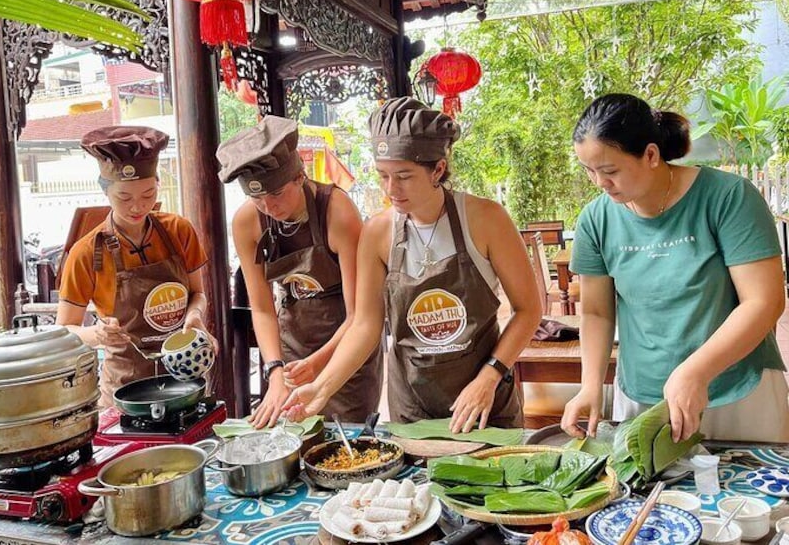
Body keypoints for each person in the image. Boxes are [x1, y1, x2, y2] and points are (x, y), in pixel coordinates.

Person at [284, 97, 542, 432]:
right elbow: (365, 324)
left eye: (404, 176)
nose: (392, 189)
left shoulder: (485, 219)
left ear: (437, 169)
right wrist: (322, 388)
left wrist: (490, 375)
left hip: (483, 400)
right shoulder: (378, 233)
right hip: (412, 404)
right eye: (383, 176)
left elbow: (528, 310)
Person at [561, 93, 789, 444]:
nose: (598, 183)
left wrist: (696, 371)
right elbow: (596, 312)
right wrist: (590, 386)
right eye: (588, 170)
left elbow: (764, 301)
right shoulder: (596, 219)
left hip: (739, 390)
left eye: (609, 170)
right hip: (644, 396)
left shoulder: (729, 197)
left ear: (651, 155)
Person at [217, 115, 382, 428]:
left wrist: (319, 363)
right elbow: (263, 309)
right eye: (257, 198)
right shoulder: (246, 223)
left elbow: (359, 314)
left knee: (350, 438)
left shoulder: (337, 211)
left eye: (277, 194)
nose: (270, 207)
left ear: (299, 176)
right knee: (294, 435)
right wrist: (276, 371)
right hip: (293, 342)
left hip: (346, 344)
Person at [57, 126, 214, 407]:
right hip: (126, 391)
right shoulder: (85, 253)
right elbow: (65, 329)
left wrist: (195, 317)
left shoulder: (179, 231)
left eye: (148, 194)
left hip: (185, 379)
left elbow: (197, 294)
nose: (137, 207)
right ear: (105, 192)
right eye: (124, 198)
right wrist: (97, 335)